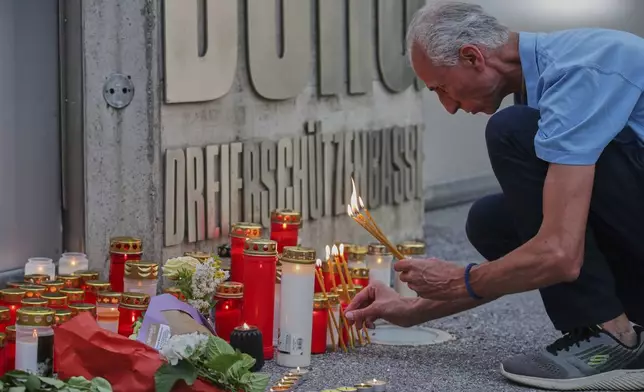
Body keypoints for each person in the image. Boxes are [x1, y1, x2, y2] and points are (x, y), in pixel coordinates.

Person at [345, 2, 644, 390]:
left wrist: (458, 280)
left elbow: (559, 253)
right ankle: (624, 334)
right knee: (492, 220)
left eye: (442, 88)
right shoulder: (547, 86)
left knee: (511, 131)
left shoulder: (580, 73)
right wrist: (412, 309)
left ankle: (612, 339)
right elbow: (534, 254)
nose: (448, 107)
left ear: (473, 57)